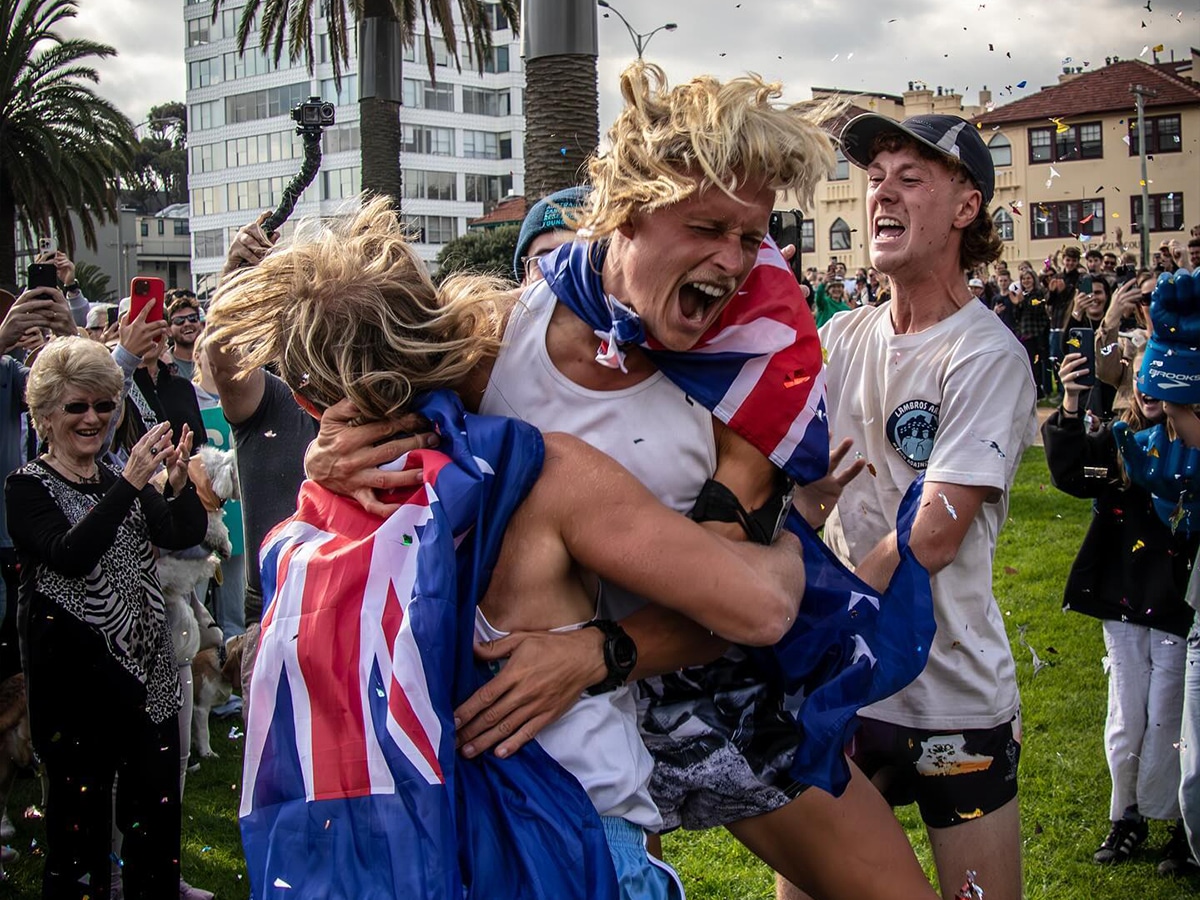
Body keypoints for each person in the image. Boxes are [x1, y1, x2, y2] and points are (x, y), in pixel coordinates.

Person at [305, 63, 938, 900]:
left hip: (697, 687)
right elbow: (376, 453)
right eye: (708, 226)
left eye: (751, 237)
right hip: (532, 719)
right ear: (628, 210)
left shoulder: (747, 372)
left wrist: (592, 656)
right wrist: (330, 455)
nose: (737, 263)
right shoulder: (497, 338)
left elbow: (741, 608)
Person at [205, 198, 810, 899]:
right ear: (442, 322)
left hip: (429, 857)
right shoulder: (548, 471)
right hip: (578, 843)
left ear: (309, 399)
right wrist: (791, 543)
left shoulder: (299, 549)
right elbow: (763, 610)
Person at [797, 113, 1039, 900]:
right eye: (874, 179)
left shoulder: (987, 354)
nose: (881, 195)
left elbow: (933, 533)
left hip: (953, 702)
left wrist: (830, 615)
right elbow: (786, 481)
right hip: (849, 689)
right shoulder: (842, 339)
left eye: (910, 177)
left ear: (967, 207)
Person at [4, 336, 204, 899]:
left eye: (102, 406)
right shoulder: (27, 487)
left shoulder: (122, 477)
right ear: (44, 416)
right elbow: (70, 554)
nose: (93, 418)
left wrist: (182, 483)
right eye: (76, 407)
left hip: (149, 687)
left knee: (155, 834)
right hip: (75, 696)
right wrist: (131, 483)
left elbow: (179, 534)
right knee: (77, 845)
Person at [1043, 349, 1198, 873]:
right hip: (1125, 596)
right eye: (1141, 381)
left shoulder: (1193, 446)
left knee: (1173, 716)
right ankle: (1126, 815)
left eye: (1161, 382)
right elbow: (1074, 474)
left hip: (1179, 602)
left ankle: (1184, 822)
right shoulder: (1119, 443)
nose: (1150, 392)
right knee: (1126, 715)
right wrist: (1068, 401)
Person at [165, 292, 203, 382]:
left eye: (192, 318)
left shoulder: (212, 360)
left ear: (200, 324)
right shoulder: (163, 363)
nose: (187, 323)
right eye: (179, 320)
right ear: (168, 330)